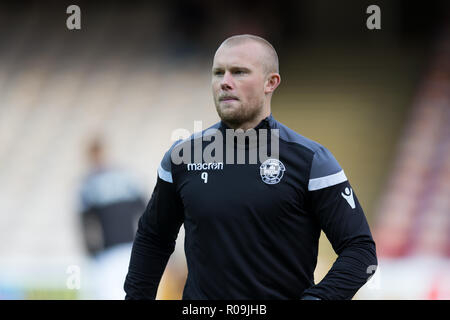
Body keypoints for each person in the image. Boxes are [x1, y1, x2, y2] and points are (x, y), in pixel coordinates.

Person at [124, 34, 377, 300]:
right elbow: (153, 238)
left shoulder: (311, 161)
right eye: (218, 73)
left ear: (271, 82)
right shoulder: (183, 158)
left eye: (239, 72)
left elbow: (360, 250)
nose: (225, 82)